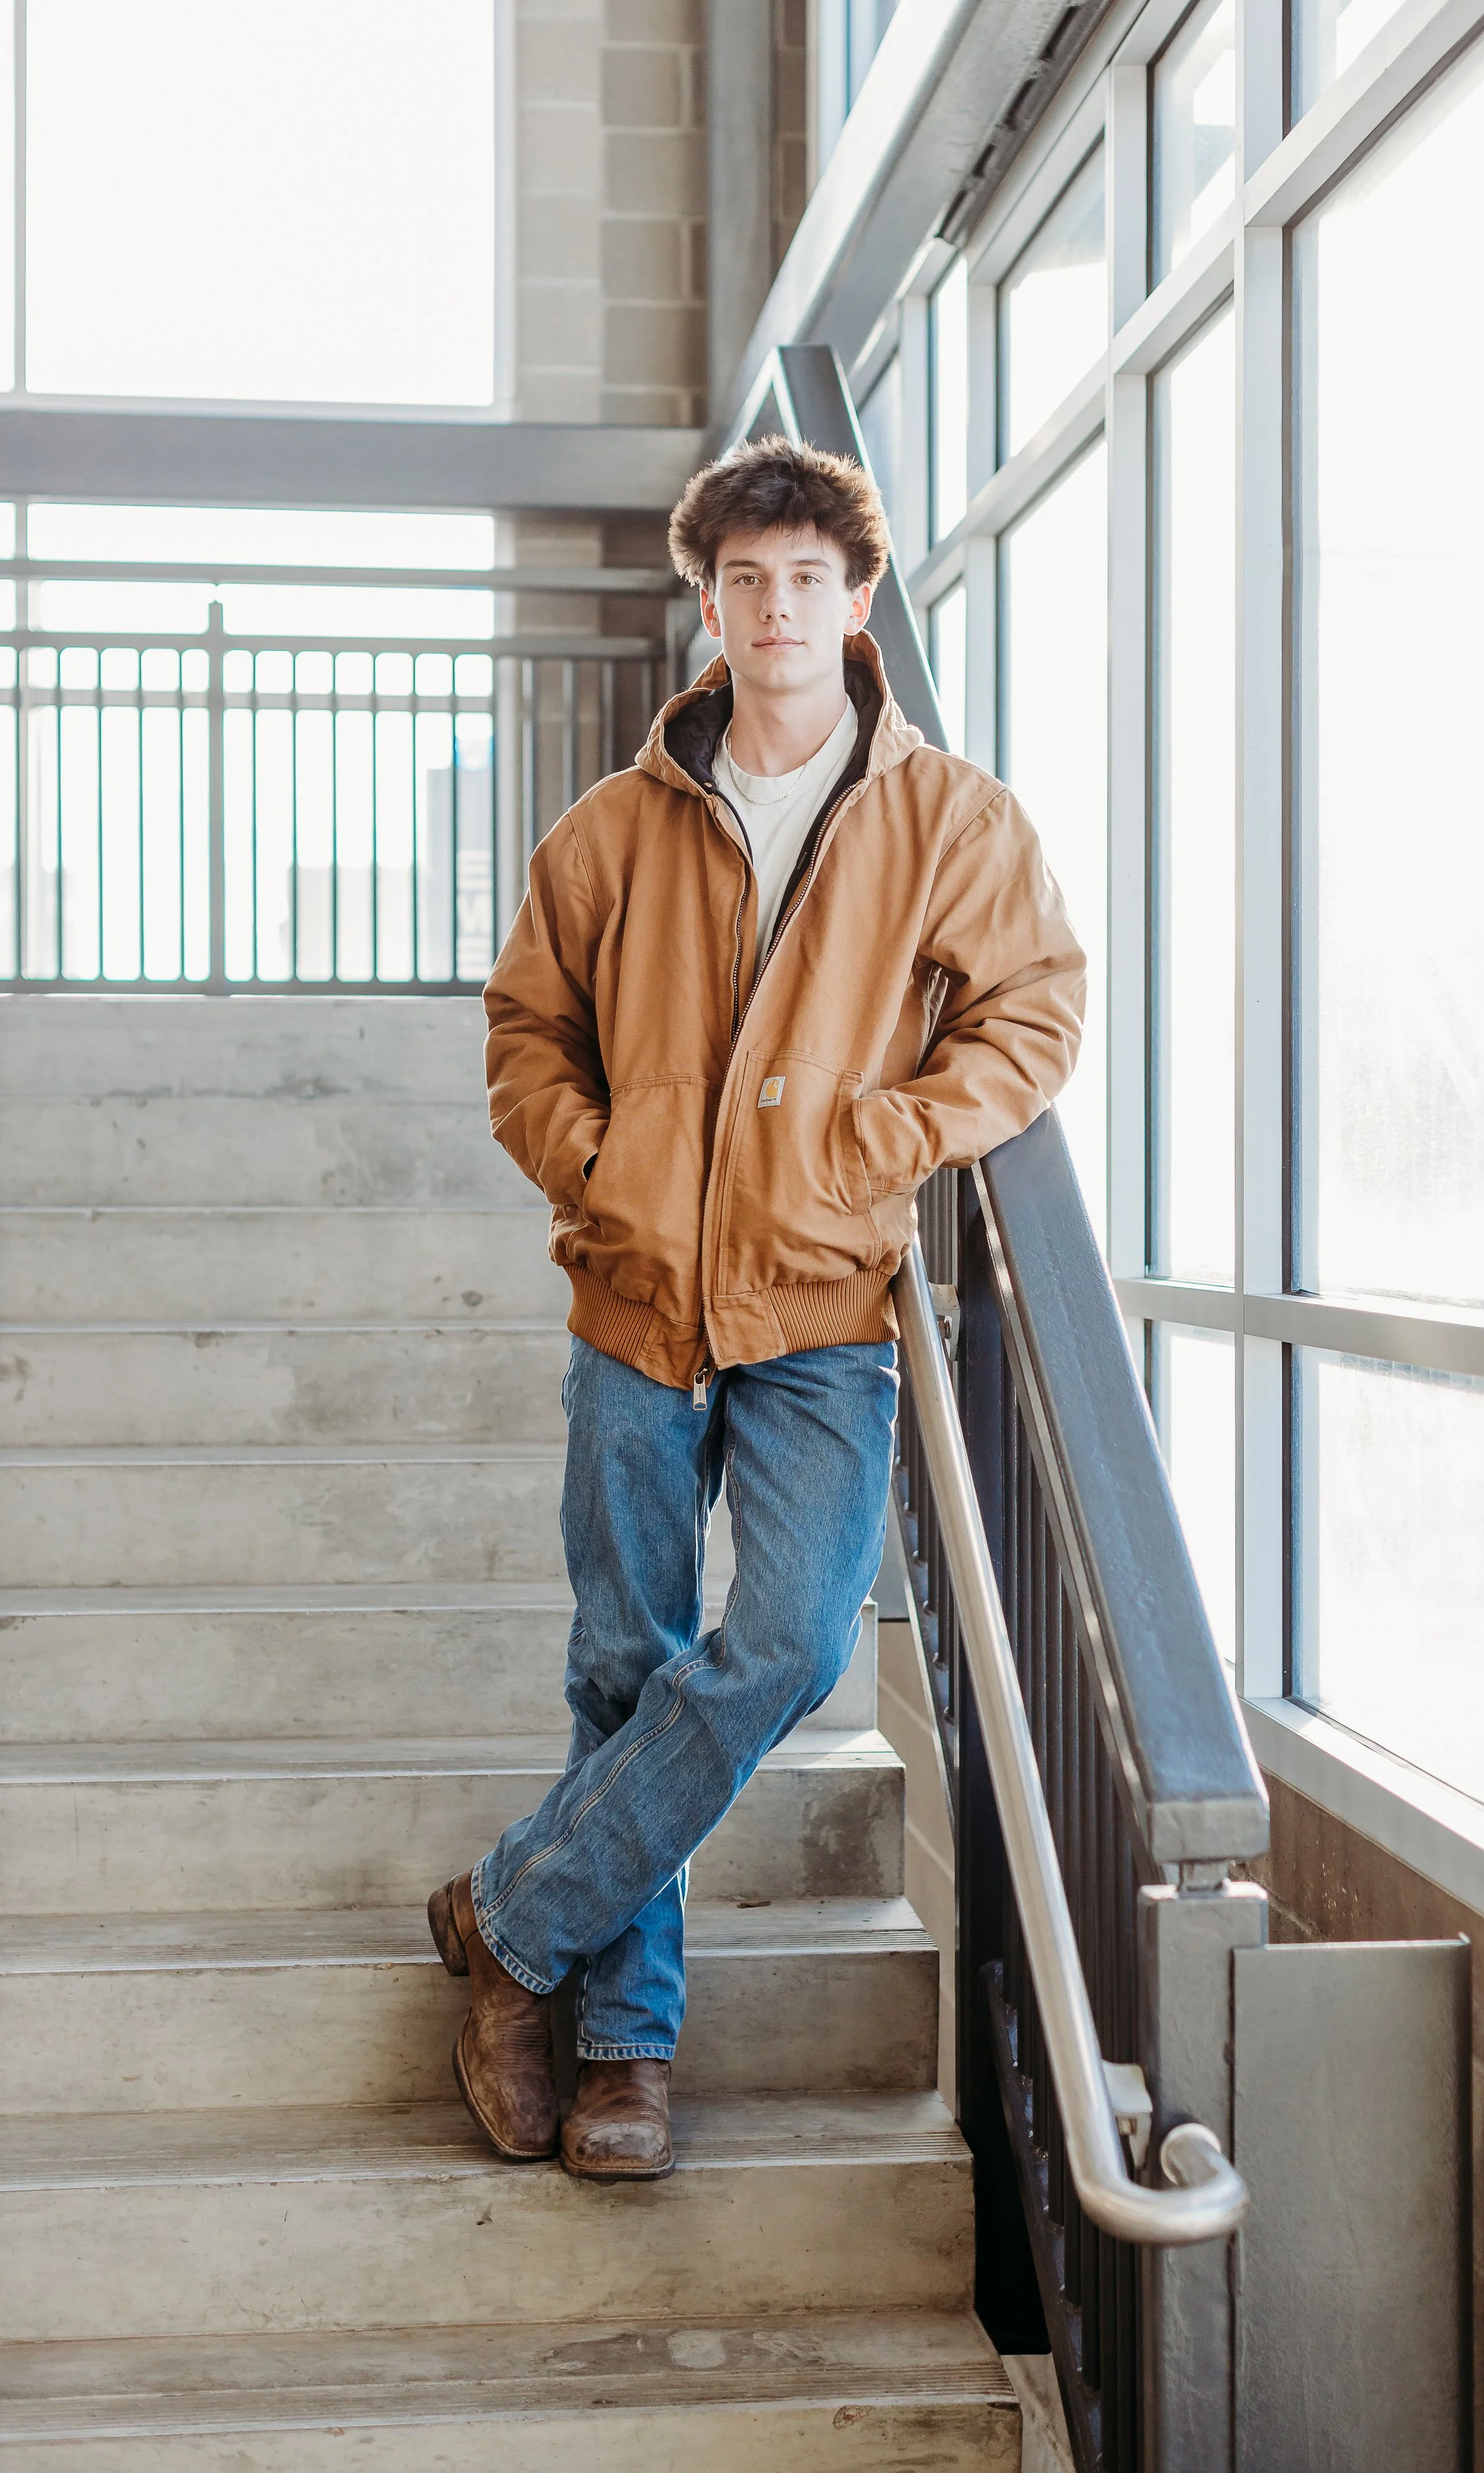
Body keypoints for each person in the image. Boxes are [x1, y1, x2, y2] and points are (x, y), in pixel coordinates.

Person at [427, 435, 1084, 2180]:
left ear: (854, 601)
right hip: (635, 1299)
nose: (775, 608)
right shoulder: (615, 826)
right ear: (705, 600)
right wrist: (602, 1165)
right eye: (744, 580)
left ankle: (511, 1920)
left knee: (791, 1643)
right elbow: (521, 1031)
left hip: (819, 1303)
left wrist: (893, 1130)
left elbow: (1029, 1012)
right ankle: (625, 2051)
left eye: (807, 579)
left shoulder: (948, 817)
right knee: (623, 1660)